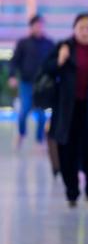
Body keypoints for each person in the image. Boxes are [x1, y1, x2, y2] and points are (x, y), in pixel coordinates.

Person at [41, 13, 88, 207]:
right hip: (67, 110)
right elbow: (46, 69)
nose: (84, 31)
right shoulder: (64, 47)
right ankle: (71, 191)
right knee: (67, 152)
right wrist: (60, 60)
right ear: (74, 29)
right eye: (81, 27)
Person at [8, 14, 55, 148]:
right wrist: (12, 76)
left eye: (41, 25)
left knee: (41, 114)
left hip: (42, 85)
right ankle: (21, 134)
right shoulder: (23, 43)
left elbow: (54, 63)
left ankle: (39, 140)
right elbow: (14, 61)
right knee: (24, 111)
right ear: (31, 27)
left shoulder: (49, 43)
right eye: (36, 25)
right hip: (26, 83)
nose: (38, 28)